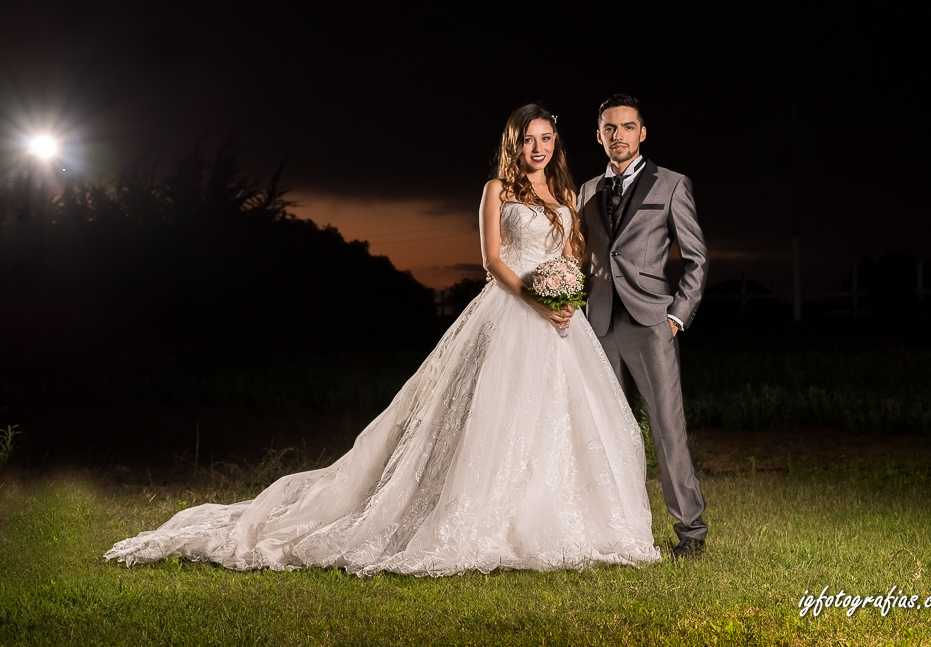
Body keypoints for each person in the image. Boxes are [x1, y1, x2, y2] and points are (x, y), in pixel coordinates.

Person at [105, 104, 661, 576]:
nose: (537, 148)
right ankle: (482, 515)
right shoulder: (497, 188)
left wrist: (565, 298)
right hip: (512, 312)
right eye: (527, 140)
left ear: (556, 142)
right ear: (512, 144)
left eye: (546, 138)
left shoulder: (564, 188)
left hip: (562, 323)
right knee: (497, 418)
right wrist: (538, 300)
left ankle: (562, 517)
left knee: (565, 419)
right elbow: (493, 261)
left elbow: (569, 253)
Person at [578, 94, 709, 560]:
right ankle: (616, 529)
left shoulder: (672, 185)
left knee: (667, 428)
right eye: (609, 128)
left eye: (627, 127)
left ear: (642, 132)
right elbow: (584, 257)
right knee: (606, 430)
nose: (618, 136)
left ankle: (690, 532)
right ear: (599, 135)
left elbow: (696, 259)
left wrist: (676, 315)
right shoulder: (587, 190)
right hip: (597, 326)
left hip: (651, 323)